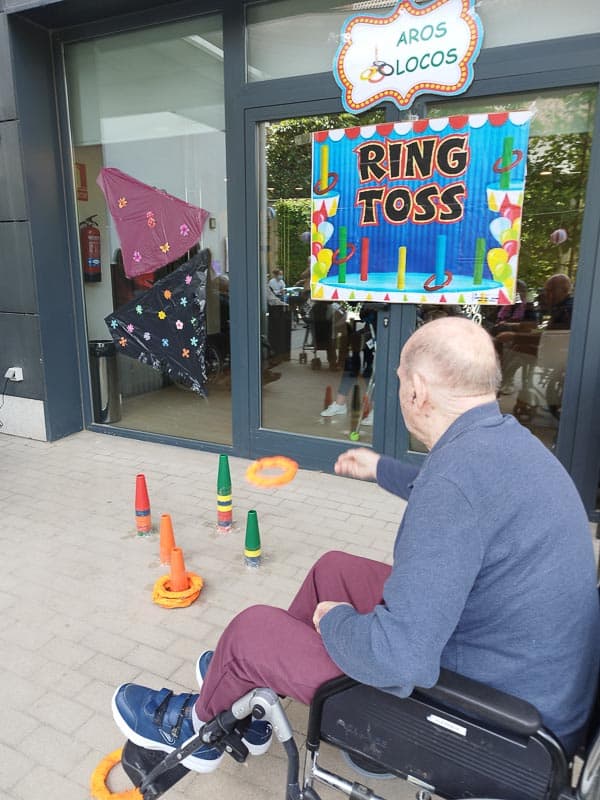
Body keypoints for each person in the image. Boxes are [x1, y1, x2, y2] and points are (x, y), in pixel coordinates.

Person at [112, 317, 599, 774]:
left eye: (398, 378)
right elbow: (458, 496)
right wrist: (378, 468)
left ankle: (200, 732)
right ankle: (254, 691)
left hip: (499, 734)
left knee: (250, 631)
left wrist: (335, 621)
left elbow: (400, 660)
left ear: (417, 390)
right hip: (530, 688)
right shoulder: (504, 442)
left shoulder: (454, 488)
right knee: (334, 569)